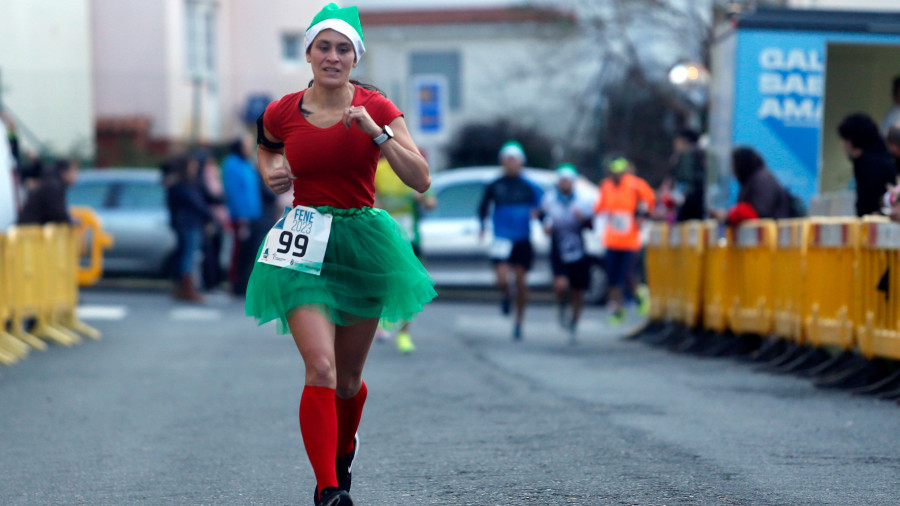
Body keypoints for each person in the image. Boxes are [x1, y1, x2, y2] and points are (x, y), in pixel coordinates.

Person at [247, 4, 436, 505]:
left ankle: (344, 448)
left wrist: (376, 132)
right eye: (323, 47)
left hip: (362, 241)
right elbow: (265, 145)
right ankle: (329, 490)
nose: (333, 56)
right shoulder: (282, 111)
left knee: (349, 380)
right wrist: (271, 170)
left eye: (343, 48)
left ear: (355, 57)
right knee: (322, 370)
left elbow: (420, 179)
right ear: (308, 54)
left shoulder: (378, 106)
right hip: (304, 240)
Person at [478, 140, 543, 341]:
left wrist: (539, 216)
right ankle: (506, 295)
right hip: (501, 237)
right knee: (501, 278)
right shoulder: (495, 185)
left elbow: (542, 209)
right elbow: (483, 207)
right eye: (508, 160)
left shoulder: (530, 186)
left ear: (521, 162)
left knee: (522, 282)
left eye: (515, 160)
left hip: (522, 238)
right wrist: (482, 227)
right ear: (502, 162)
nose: (511, 163)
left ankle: (518, 322)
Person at [373, 156, 436, 354]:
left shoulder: (413, 166)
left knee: (409, 284)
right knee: (385, 281)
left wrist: (422, 198)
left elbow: (431, 202)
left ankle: (404, 334)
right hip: (385, 233)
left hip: (411, 236)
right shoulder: (378, 169)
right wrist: (379, 207)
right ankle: (382, 325)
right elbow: (370, 199)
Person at [594, 157, 655, 325]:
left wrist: (642, 215)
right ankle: (617, 310)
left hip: (630, 240)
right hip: (612, 239)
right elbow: (599, 208)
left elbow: (649, 201)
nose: (616, 176)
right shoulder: (606, 186)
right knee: (613, 278)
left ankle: (640, 294)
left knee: (627, 274)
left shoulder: (636, 185)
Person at [540, 163, 594, 343]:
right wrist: (546, 226)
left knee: (578, 290)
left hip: (577, 247)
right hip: (558, 247)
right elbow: (544, 218)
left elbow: (591, 225)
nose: (564, 184)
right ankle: (562, 304)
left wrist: (583, 219)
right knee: (561, 285)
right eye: (562, 181)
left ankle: (574, 323)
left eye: (567, 181)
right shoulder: (549, 199)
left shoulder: (583, 200)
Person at [223, 133, 265, 296]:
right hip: (242, 217)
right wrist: (242, 214)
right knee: (239, 252)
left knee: (249, 252)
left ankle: (243, 283)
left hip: (253, 215)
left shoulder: (246, 164)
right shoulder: (232, 164)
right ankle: (236, 284)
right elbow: (235, 192)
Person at [166, 155, 212, 302]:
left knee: (185, 254)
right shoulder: (183, 184)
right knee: (189, 255)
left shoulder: (178, 183)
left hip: (185, 223)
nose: (195, 168)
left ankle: (182, 286)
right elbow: (196, 203)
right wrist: (209, 216)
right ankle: (187, 288)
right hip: (189, 223)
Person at [837, 112, 898, 217]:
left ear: (852, 141)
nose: (843, 145)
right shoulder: (883, 157)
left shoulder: (869, 165)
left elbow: (868, 205)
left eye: (845, 140)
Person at [197, 150, 230, 292]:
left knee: (216, 251)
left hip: (217, 218)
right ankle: (210, 282)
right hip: (210, 219)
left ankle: (213, 281)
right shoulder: (204, 178)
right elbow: (214, 196)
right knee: (210, 252)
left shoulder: (214, 175)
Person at [17, 158, 78, 225]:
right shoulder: (53, 186)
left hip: (31, 228)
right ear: (64, 172)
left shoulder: (52, 182)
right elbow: (57, 213)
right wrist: (70, 221)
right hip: (29, 231)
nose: (76, 176)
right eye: (74, 171)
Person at [666, 129, 706, 221]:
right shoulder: (700, 153)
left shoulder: (687, 155)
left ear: (685, 141)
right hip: (698, 201)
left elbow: (685, 179)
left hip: (690, 202)